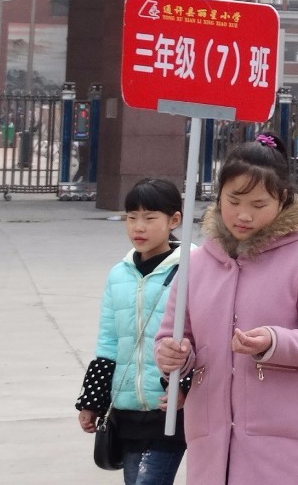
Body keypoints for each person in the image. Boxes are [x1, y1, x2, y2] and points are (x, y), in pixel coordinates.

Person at [156, 141, 298, 485]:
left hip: (281, 447)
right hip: (210, 444)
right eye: (234, 201)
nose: (244, 215)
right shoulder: (197, 263)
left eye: (259, 204)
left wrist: (273, 342)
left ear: (282, 200)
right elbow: (173, 337)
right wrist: (174, 355)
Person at [77, 178, 187, 485]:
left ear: (174, 220)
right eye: (131, 217)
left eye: (150, 218)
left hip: (169, 408)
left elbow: (202, 337)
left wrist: (184, 386)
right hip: (126, 409)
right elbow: (109, 341)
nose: (138, 227)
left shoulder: (193, 269)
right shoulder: (118, 274)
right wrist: (92, 399)